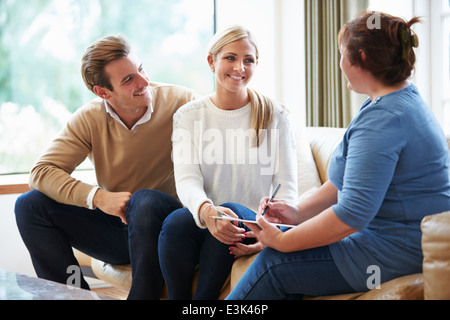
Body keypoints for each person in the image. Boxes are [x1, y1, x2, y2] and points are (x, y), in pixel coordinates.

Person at [227, 12, 450, 300]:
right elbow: (346, 182)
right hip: (392, 240)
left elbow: (352, 214)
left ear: (361, 58)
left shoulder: (383, 120)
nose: (340, 63)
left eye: (342, 54)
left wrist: (284, 239)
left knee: (274, 264)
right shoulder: (393, 100)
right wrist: (298, 213)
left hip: (396, 250)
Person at [14, 35, 199, 300]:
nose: (144, 82)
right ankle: (71, 296)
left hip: (166, 227)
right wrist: (98, 197)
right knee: (30, 205)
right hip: (120, 230)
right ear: (103, 92)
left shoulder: (183, 102)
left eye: (141, 69)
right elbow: (42, 172)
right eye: (128, 79)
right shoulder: (90, 118)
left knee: (143, 200)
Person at [157, 25, 298, 300]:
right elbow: (187, 180)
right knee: (175, 222)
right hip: (205, 220)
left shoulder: (276, 115)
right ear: (212, 61)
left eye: (249, 60)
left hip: (247, 225)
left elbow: (288, 187)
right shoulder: (189, 116)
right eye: (230, 58)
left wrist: (272, 234)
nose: (240, 67)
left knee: (231, 210)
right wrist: (208, 212)